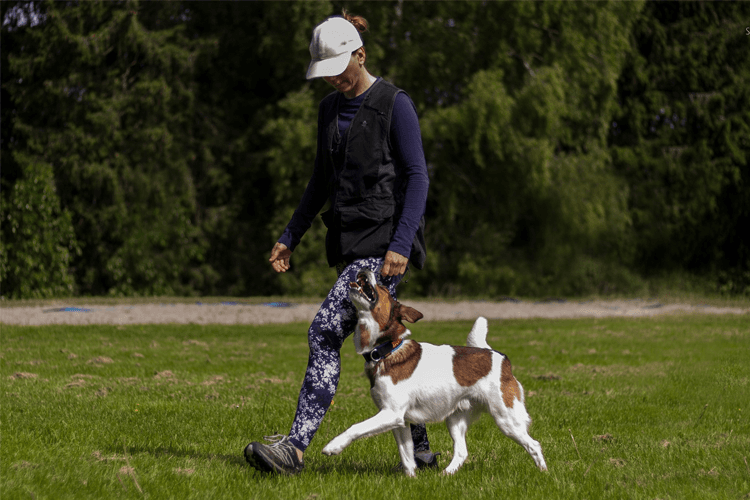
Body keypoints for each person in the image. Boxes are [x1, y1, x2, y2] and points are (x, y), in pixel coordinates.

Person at [245, 11, 434, 475]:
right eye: (325, 73)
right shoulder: (329, 110)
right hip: (349, 243)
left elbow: (417, 177)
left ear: (360, 55)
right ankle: (423, 453)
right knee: (386, 347)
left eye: (338, 70)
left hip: (386, 244)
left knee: (324, 330)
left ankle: (295, 447)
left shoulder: (395, 104)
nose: (332, 80)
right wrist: (290, 236)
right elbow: (319, 182)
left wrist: (402, 244)